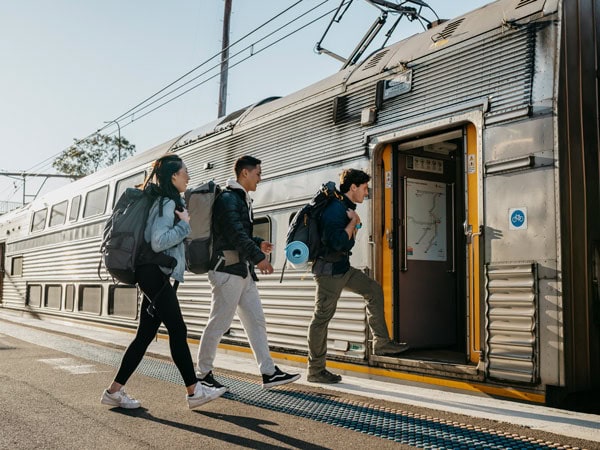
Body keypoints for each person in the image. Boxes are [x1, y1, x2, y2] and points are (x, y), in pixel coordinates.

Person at [101, 154, 226, 409]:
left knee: (145, 335)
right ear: (174, 176)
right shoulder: (167, 203)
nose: (188, 177)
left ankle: (114, 392)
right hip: (153, 273)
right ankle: (194, 392)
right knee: (178, 330)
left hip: (151, 273)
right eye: (185, 172)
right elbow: (158, 240)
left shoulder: (164, 201)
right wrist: (184, 226)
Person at [196, 155, 300, 390]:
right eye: (258, 174)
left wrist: (258, 243)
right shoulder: (229, 199)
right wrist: (259, 258)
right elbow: (234, 234)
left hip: (241, 272)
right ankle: (202, 375)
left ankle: (269, 372)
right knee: (219, 324)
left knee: (256, 322)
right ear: (245, 173)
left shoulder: (240, 199)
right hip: (227, 271)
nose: (260, 179)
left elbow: (238, 233)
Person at [307, 168, 409, 384]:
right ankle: (316, 370)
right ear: (353, 187)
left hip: (342, 268)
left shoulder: (344, 207)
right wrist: (353, 223)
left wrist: (353, 223)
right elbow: (337, 242)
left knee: (373, 290)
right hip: (329, 273)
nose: (366, 193)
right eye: (364, 188)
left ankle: (381, 343)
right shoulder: (336, 209)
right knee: (321, 319)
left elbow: (347, 243)